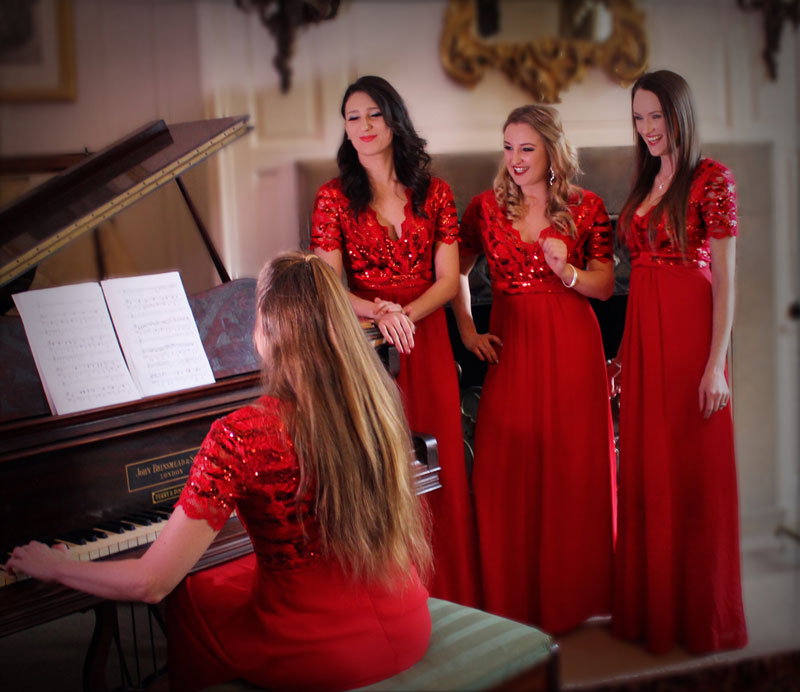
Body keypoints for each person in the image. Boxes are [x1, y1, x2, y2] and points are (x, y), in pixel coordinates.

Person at [5, 252, 433, 692]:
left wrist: (56, 566)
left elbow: (152, 583)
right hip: (408, 624)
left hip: (320, 653)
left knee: (190, 598)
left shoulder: (243, 433)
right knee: (217, 578)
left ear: (266, 329)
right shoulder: (374, 404)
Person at [311, 75, 481, 607]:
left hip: (426, 337)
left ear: (394, 120)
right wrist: (380, 312)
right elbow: (328, 285)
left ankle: (448, 595)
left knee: (438, 464)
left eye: (373, 115)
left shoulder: (435, 192)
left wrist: (404, 315)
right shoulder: (332, 198)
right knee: (382, 466)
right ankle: (392, 600)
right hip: (366, 345)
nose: (363, 126)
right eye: (352, 117)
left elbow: (449, 281)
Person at [452, 104, 617, 634]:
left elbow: (605, 286)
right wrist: (467, 331)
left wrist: (567, 271)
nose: (516, 159)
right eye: (508, 148)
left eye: (527, 148)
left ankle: (574, 602)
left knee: (571, 471)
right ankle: (512, 601)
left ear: (552, 151)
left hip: (572, 349)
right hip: (513, 349)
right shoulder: (484, 208)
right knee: (503, 470)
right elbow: (454, 272)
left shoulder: (587, 207)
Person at [611, 69, 747, 654]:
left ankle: (702, 620)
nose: (647, 129)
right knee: (649, 472)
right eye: (639, 118)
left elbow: (726, 281)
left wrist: (716, 365)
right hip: (645, 344)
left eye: (657, 117)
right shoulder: (646, 181)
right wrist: (624, 354)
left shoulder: (713, 179)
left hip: (692, 342)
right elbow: (636, 282)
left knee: (695, 477)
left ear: (679, 115)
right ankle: (655, 616)